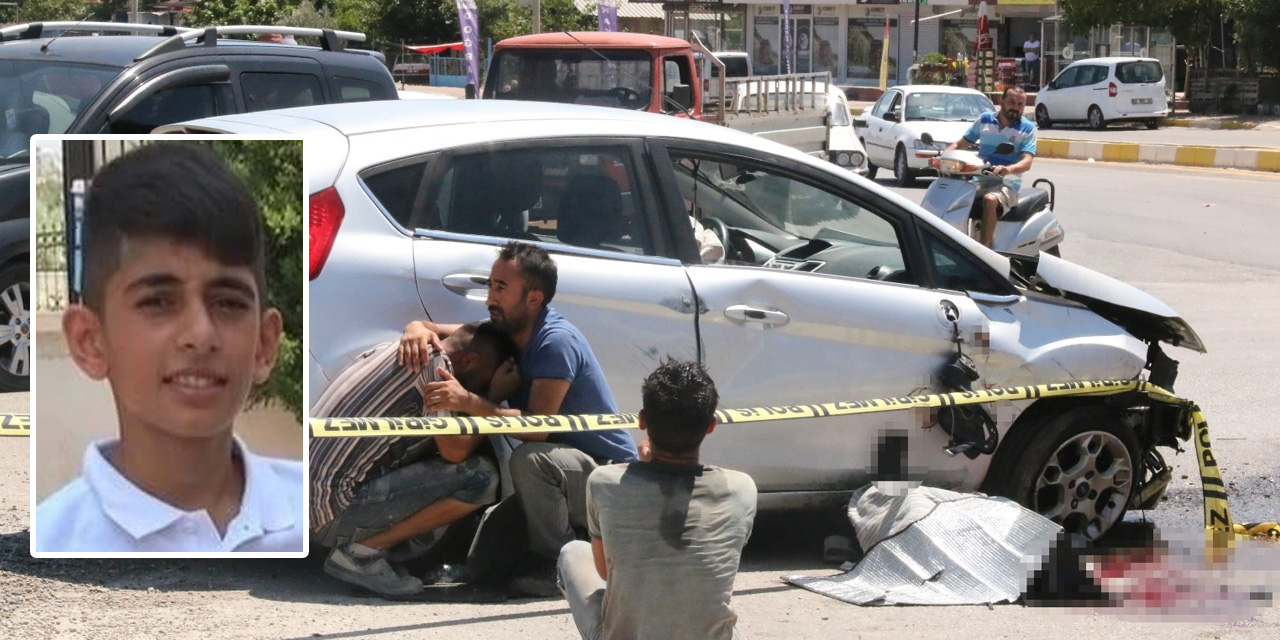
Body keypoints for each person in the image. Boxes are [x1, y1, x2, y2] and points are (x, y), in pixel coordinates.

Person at [35, 143, 298, 554]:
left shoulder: (324, 520)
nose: (200, 334)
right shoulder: (53, 545)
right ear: (90, 341)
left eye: (228, 302)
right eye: (158, 301)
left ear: (264, 344)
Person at [399, 241, 639, 596]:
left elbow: (538, 430)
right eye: (490, 285)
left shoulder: (555, 342)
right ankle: (574, 547)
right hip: (564, 475)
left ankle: (559, 567)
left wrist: (471, 401)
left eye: (501, 288)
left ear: (533, 299)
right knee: (483, 564)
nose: (489, 298)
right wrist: (414, 330)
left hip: (608, 477)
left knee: (529, 459)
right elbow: (429, 328)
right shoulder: (504, 331)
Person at [309, 321, 520, 597]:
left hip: (308, 505)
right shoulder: (436, 370)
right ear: (469, 361)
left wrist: (417, 324)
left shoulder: (395, 346)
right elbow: (454, 451)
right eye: (485, 378)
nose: (480, 386)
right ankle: (359, 556)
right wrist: (489, 398)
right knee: (481, 477)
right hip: (328, 513)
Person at [558, 359, 757, 640]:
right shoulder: (742, 488)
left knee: (572, 553)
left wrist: (647, 465)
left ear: (641, 419)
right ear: (711, 425)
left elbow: (606, 572)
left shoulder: (605, 482)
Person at [941, 86, 1036, 249]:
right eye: (1012, 102)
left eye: (1021, 104)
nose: (1016, 107)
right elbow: (961, 143)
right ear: (1001, 101)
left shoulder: (1027, 129)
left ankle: (984, 250)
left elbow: (1027, 161)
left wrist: (1009, 169)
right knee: (951, 194)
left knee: (990, 200)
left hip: (1007, 184)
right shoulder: (985, 120)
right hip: (979, 179)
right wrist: (942, 157)